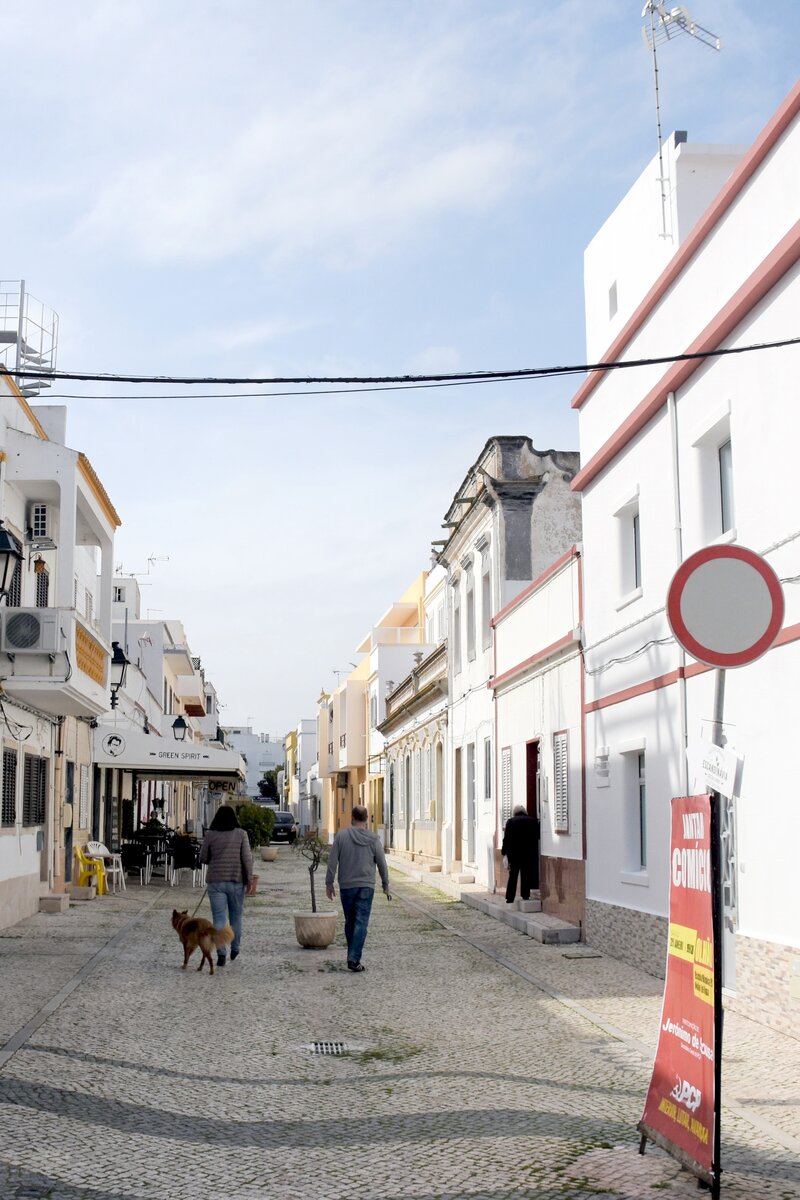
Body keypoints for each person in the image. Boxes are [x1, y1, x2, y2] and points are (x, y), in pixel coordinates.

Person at [325, 804, 391, 972]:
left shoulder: (341, 836)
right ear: (366, 819)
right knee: (361, 922)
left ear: (352, 818)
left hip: (347, 886)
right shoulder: (374, 839)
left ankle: (352, 956)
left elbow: (332, 861)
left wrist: (329, 883)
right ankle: (353, 958)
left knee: (351, 921)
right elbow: (382, 863)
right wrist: (385, 884)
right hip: (366, 886)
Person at [199, 804, 253, 966]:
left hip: (216, 881)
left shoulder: (210, 835)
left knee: (219, 918)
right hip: (236, 881)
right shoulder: (241, 834)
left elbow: (203, 857)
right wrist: (249, 879)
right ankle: (235, 948)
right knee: (236, 916)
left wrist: (213, 858)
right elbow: (247, 859)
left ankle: (221, 952)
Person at [501, 804, 539, 904]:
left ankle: (510, 897)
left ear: (515, 812)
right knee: (526, 874)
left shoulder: (511, 821)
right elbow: (536, 837)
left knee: (513, 875)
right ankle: (525, 895)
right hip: (528, 853)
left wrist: (504, 852)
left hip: (514, 854)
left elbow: (506, 839)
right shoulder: (533, 821)